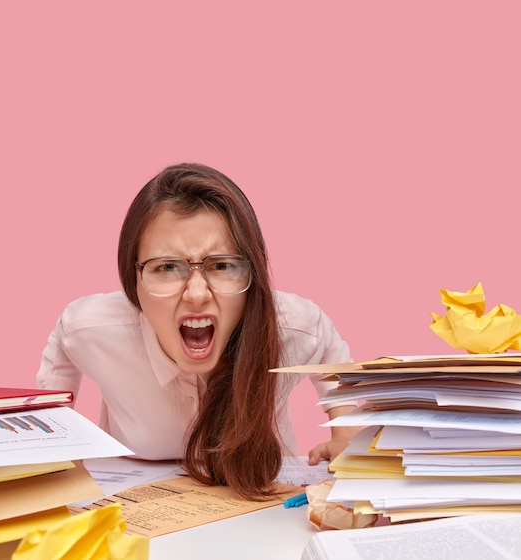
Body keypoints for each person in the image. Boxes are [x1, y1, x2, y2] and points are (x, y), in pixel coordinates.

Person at [37, 163, 357, 500]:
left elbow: (329, 351)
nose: (197, 294)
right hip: (132, 499)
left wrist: (346, 429)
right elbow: (64, 345)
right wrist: (57, 440)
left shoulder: (292, 327)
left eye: (221, 265)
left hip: (265, 504)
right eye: (167, 267)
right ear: (134, 283)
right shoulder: (93, 329)